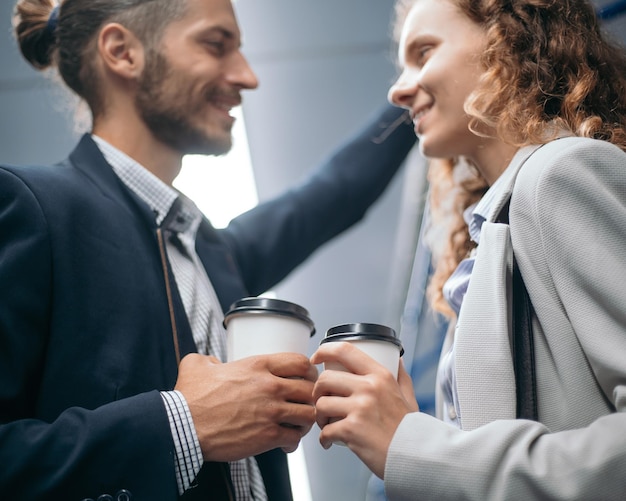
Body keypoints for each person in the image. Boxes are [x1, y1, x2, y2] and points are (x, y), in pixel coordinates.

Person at [0, 0, 417, 499]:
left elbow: (334, 192)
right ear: (122, 52)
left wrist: (418, 92)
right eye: (216, 45)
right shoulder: (32, 209)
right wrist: (182, 424)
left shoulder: (214, 256)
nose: (247, 76)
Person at [312, 0, 626, 499]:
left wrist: (414, 445)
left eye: (424, 52)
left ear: (508, 40)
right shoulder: (487, 238)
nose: (398, 89)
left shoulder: (563, 174)